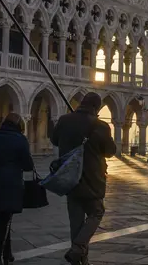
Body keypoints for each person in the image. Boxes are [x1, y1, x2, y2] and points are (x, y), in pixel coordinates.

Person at [51, 93, 117, 265]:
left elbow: (54, 140)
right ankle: (78, 248)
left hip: (70, 178)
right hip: (92, 179)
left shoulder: (65, 120)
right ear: (96, 107)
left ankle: (81, 260)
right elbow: (110, 151)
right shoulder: (100, 126)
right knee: (96, 212)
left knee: (76, 222)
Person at [0, 112, 34, 265]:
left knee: (4, 218)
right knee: (4, 220)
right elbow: (28, 166)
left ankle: (8, 253)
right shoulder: (20, 140)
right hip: (11, 185)